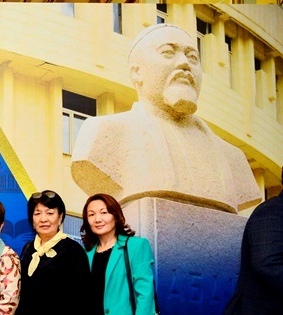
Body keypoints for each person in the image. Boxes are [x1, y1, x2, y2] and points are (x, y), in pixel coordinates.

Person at [71, 24, 258, 214]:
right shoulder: (103, 132)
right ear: (137, 72)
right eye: (168, 53)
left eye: (193, 57)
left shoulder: (233, 158)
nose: (184, 64)